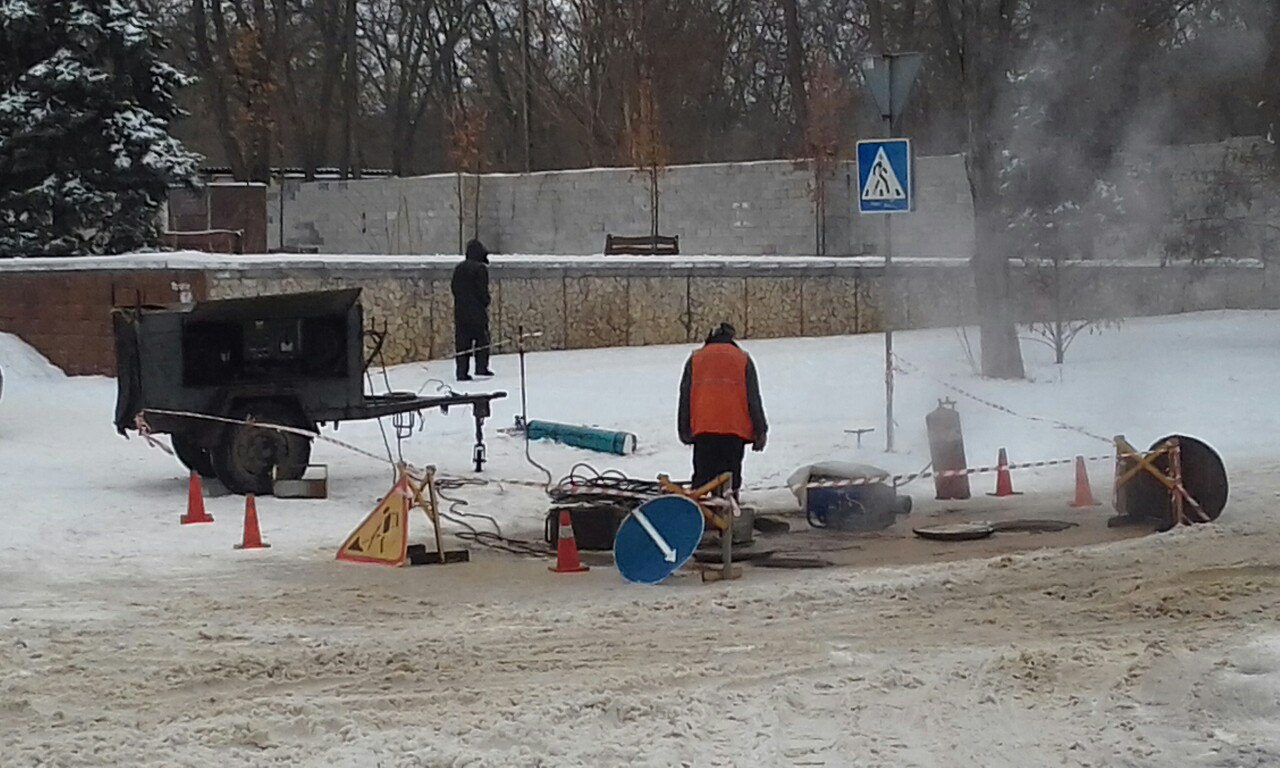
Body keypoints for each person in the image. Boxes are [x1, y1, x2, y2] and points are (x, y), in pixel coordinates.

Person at [677, 322, 768, 498]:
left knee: (702, 479)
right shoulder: (742, 359)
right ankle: (728, 516)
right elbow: (753, 398)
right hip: (734, 430)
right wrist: (760, 430)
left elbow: (685, 397)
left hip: (704, 429)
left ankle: (701, 517)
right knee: (729, 480)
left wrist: (684, 430)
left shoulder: (696, 359)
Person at [451, 239, 494, 381]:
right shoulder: (480, 269)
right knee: (482, 340)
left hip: (461, 312)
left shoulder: (459, 268)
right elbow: (482, 291)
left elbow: (454, 288)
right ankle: (481, 367)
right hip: (477, 313)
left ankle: (461, 372)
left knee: (462, 343)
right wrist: (486, 301)